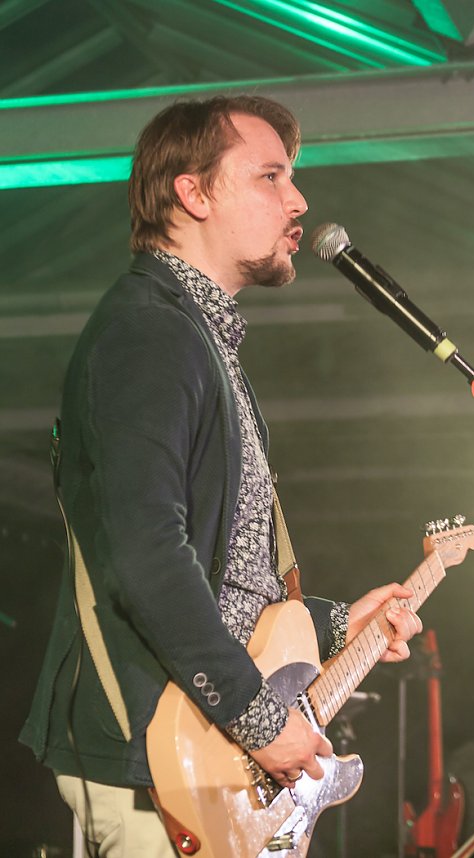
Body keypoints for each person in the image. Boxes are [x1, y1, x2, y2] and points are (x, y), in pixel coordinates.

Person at [20, 95, 423, 857]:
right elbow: (146, 558)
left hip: (203, 762)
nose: (298, 199)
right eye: (270, 176)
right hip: (160, 764)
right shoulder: (150, 332)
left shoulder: (194, 335)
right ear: (193, 193)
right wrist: (264, 722)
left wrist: (340, 624)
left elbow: (232, 579)